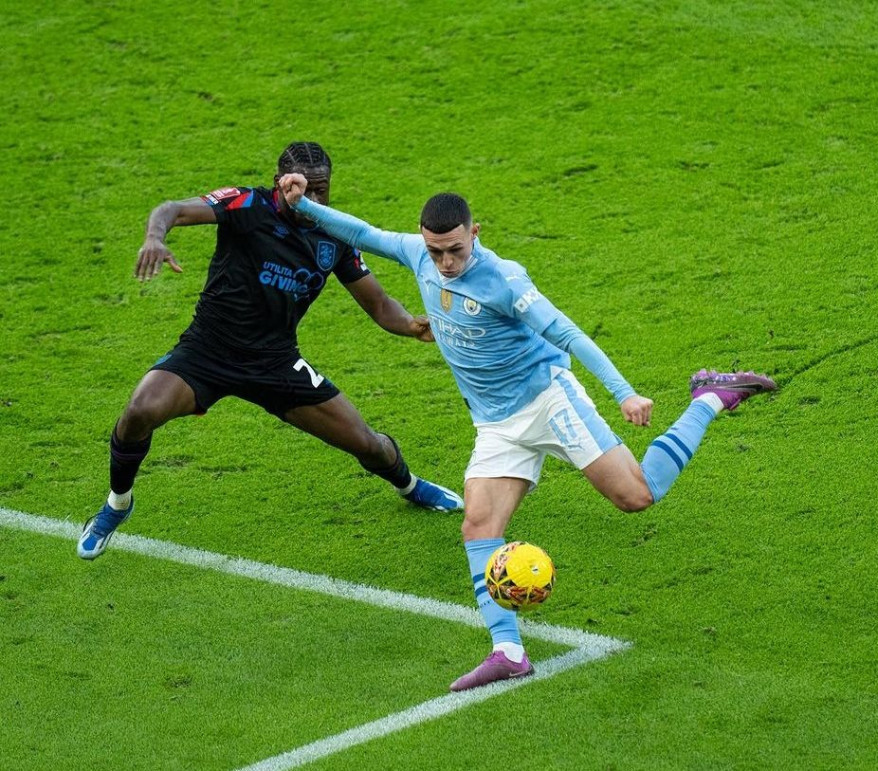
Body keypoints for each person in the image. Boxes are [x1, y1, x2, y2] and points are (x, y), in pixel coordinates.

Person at [278, 173, 776, 691]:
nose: (445, 263)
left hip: (548, 402)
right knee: (478, 525)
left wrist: (624, 392)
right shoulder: (418, 254)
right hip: (496, 423)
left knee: (636, 495)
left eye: (454, 250)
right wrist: (304, 205)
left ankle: (710, 398)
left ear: (475, 233)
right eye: (435, 251)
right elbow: (363, 233)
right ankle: (509, 652)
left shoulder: (505, 280)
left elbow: (567, 333)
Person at [78, 142, 464, 561]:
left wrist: (411, 327)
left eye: (323, 189)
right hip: (208, 351)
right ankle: (118, 503)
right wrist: (154, 238)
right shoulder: (246, 204)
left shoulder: (334, 233)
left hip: (275, 362)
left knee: (366, 444)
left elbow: (378, 304)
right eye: (305, 188)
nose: (314, 199)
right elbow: (172, 209)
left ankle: (409, 486)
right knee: (139, 411)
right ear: (282, 182)